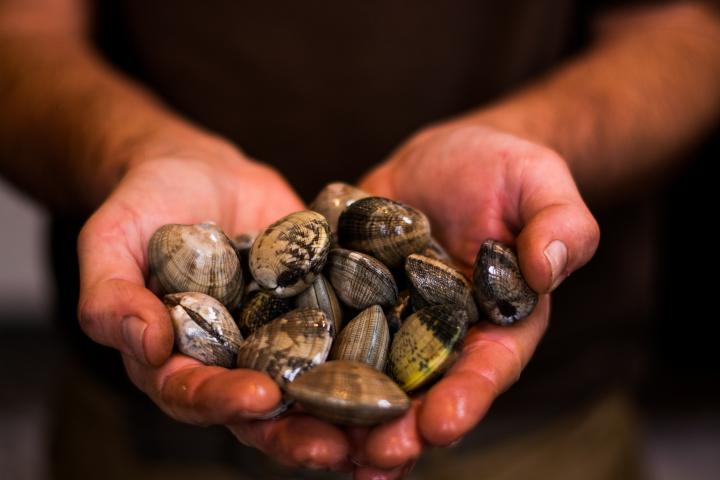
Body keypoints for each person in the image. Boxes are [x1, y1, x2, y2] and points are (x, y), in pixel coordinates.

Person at [1, 0, 719, 478]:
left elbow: (685, 31)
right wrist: (132, 150)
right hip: (145, 438)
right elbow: (19, 28)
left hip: (548, 426)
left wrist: (533, 141)